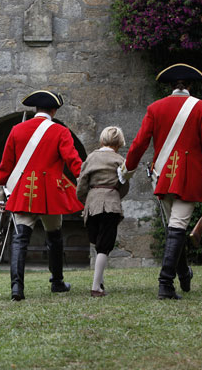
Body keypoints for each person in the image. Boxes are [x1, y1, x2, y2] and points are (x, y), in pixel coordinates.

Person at [118, 63, 202, 299]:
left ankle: (184, 275)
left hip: (162, 176)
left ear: (171, 86)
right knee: (177, 227)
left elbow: (139, 144)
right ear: (189, 86)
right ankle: (165, 283)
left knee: (174, 227)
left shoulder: (155, 108)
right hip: (190, 178)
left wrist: (127, 171)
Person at [0, 90, 84, 301]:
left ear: (36, 109)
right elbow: (74, 162)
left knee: (20, 239)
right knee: (54, 237)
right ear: (53, 110)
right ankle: (57, 282)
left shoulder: (17, 130)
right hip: (50, 193)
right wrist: (87, 181)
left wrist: (0, 195)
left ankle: (17, 288)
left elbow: (5, 166)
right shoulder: (61, 131)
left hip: (23, 192)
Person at [76, 126, 129, 297]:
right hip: (110, 203)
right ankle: (96, 287)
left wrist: (87, 199)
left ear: (101, 140)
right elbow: (124, 185)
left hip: (92, 204)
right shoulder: (120, 160)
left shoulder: (91, 158)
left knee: (99, 244)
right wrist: (114, 195)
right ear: (119, 143)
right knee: (104, 246)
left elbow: (82, 183)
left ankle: (99, 281)